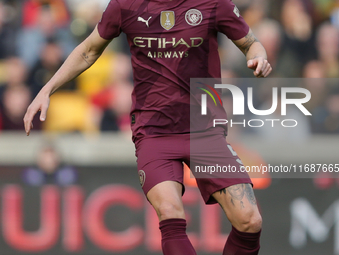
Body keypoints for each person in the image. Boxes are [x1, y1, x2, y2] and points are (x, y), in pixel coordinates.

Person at [24, 0, 272, 254]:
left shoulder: (213, 4)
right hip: (154, 131)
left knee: (250, 221)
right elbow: (89, 50)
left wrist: (258, 57)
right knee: (169, 212)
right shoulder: (125, 5)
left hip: (204, 131)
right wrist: (47, 89)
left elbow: (251, 43)